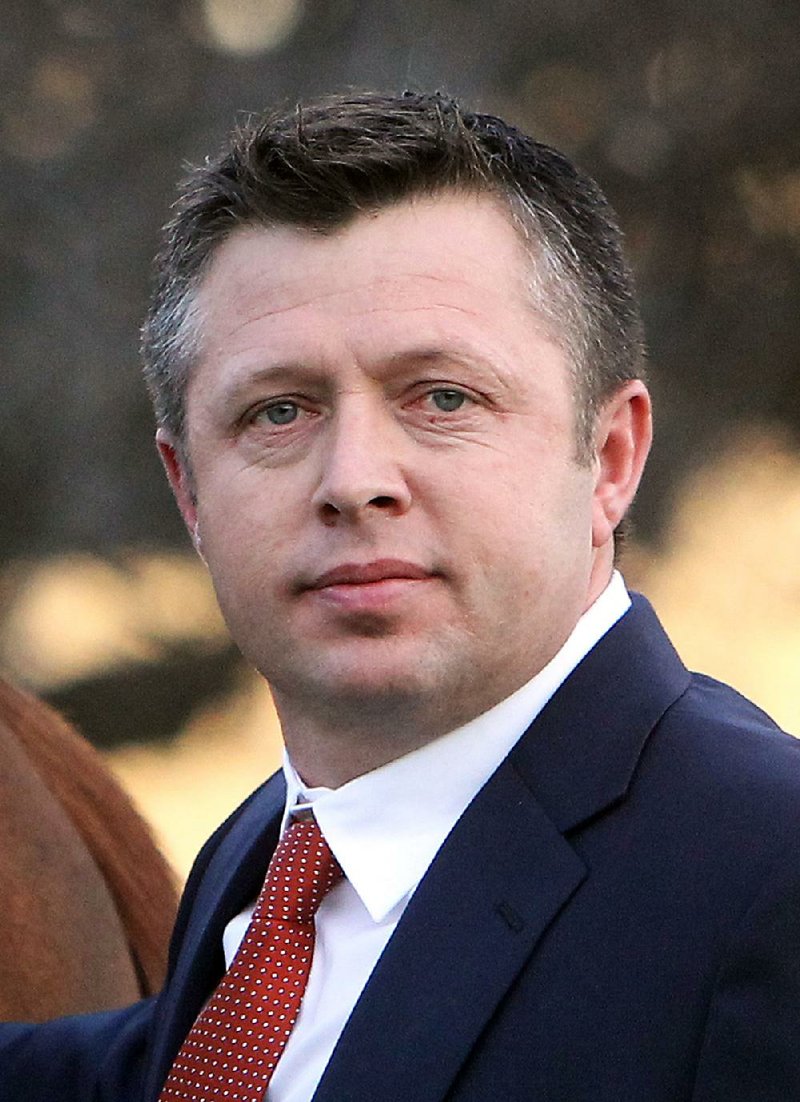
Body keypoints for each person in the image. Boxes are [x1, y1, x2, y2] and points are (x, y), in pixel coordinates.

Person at [2, 89, 800, 1101]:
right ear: (188, 489)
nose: (352, 478)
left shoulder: (766, 877)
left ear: (607, 457)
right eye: (277, 411)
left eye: (441, 396)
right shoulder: (269, 857)